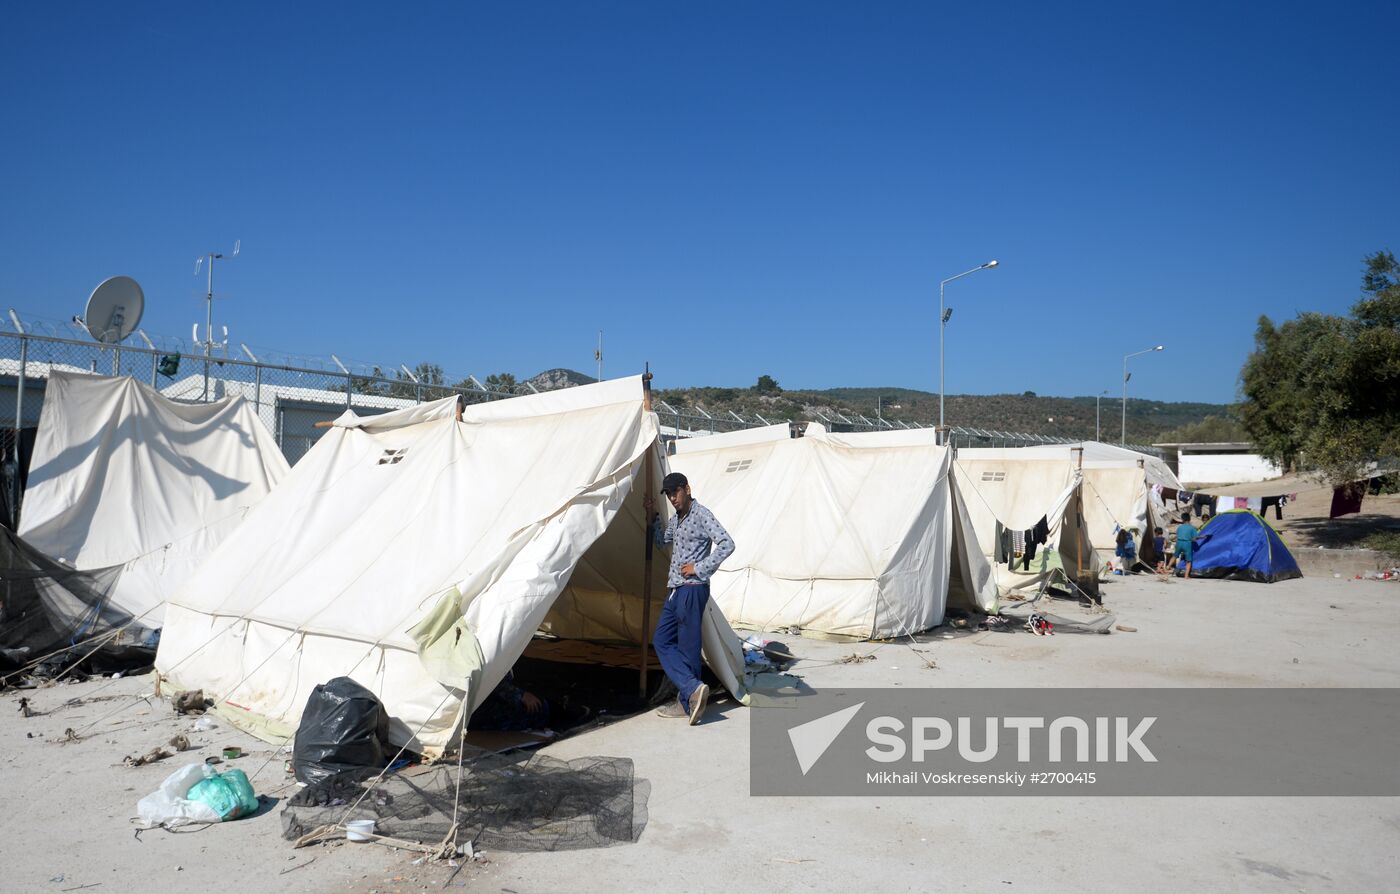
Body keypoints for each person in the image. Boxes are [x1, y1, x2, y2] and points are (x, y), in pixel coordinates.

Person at [643, 471, 735, 726]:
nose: (673, 497)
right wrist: (652, 517)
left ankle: (689, 701)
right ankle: (692, 689)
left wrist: (700, 567)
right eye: (669, 494)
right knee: (661, 639)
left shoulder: (701, 514)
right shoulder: (677, 519)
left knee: (688, 648)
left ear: (687, 489)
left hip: (692, 587)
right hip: (676, 590)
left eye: (676, 492)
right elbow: (662, 541)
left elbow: (727, 544)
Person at [1175, 514, 1198, 578]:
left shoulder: (1180, 527)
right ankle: (1186, 575)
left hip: (1179, 542)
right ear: (1189, 519)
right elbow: (1194, 538)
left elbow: (1177, 536)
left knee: (1175, 556)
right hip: (1187, 543)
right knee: (1189, 561)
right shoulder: (1192, 528)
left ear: (1182, 519)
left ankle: (1167, 567)